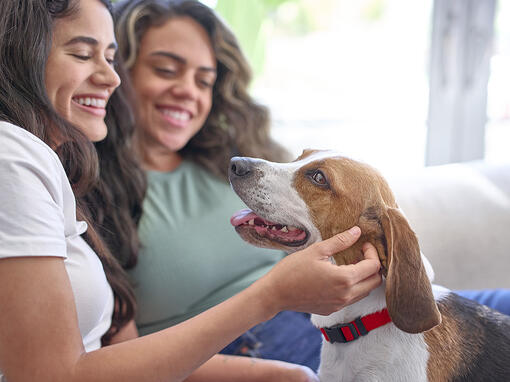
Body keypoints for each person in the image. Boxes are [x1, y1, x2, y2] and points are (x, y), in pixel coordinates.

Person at [0, 0, 383, 380]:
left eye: (203, 80)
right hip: (242, 353)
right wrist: (285, 358)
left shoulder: (233, 163)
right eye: (166, 70)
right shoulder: (79, 185)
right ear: (129, 72)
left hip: (323, 323)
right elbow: (102, 355)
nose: (187, 91)